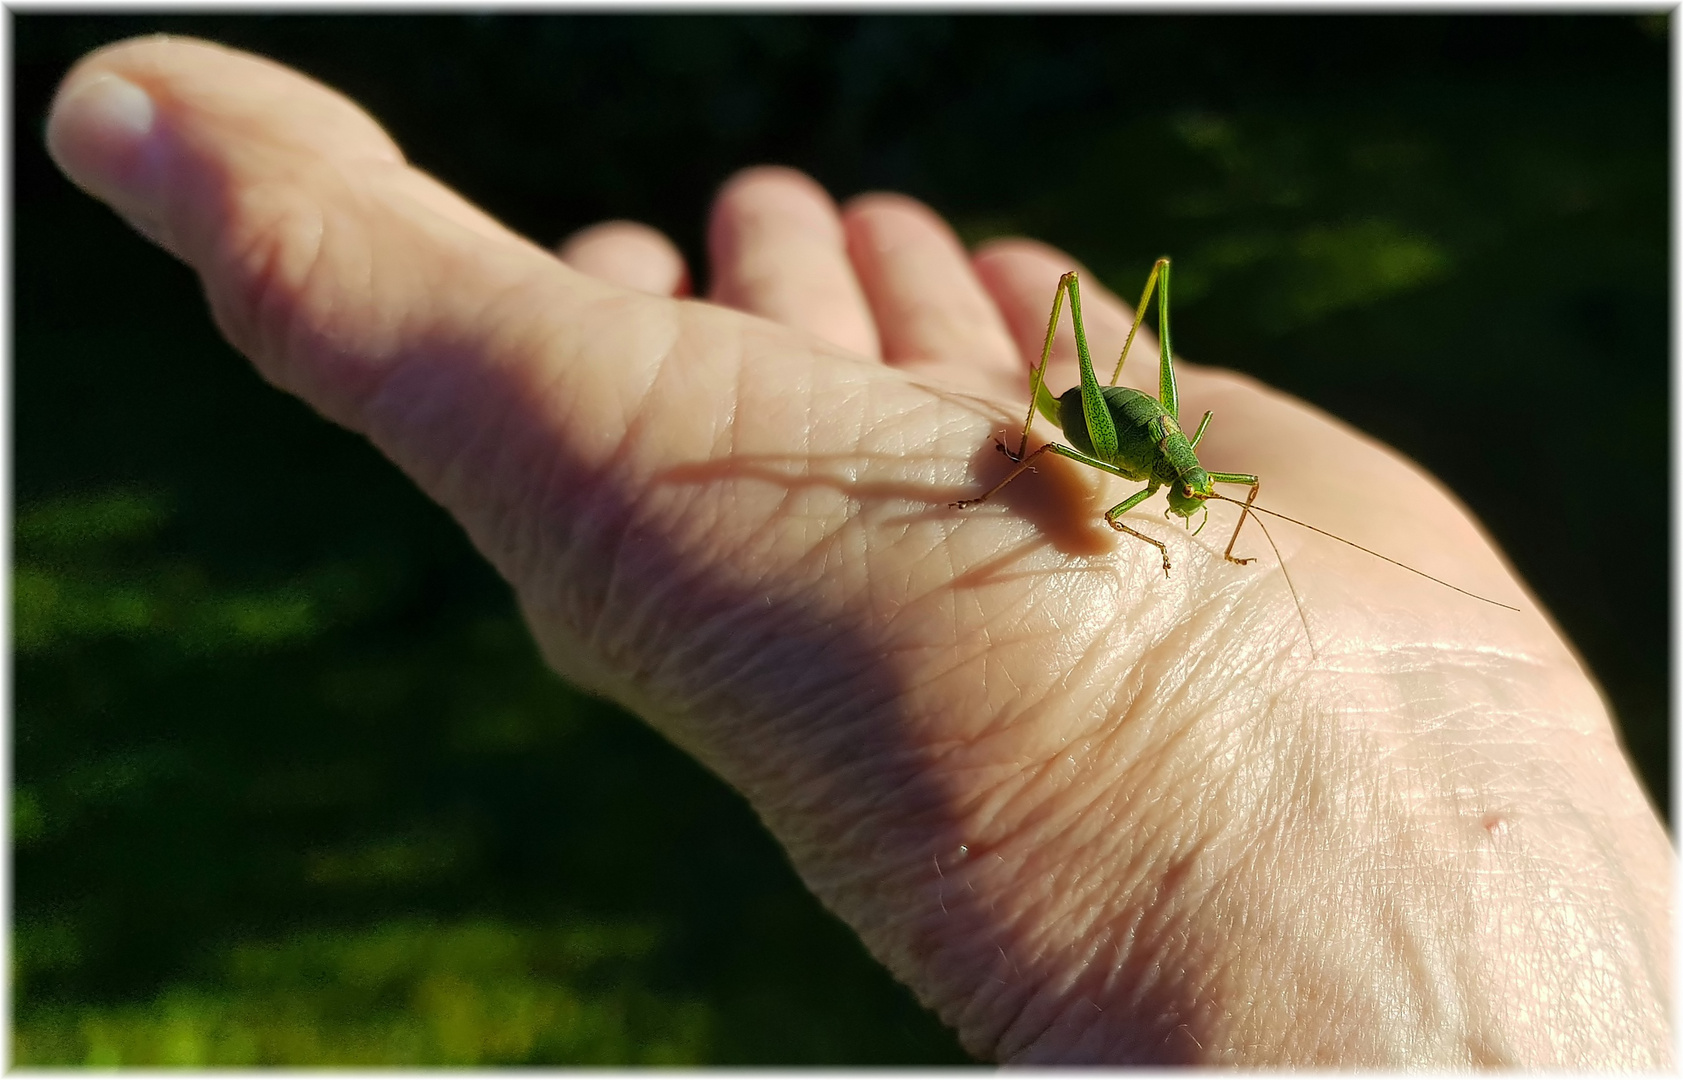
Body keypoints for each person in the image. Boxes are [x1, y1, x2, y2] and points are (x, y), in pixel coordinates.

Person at [45, 35, 1671, 1067]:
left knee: (1154, 427)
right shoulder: (1109, 452)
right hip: (1062, 429)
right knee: (1097, 384)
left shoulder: (1205, 499)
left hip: (1097, 440)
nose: (1196, 513)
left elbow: (1212, 518)